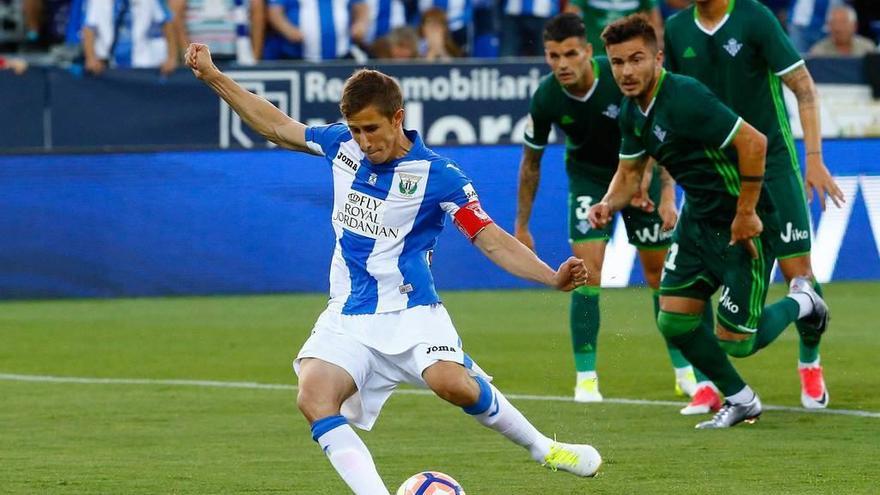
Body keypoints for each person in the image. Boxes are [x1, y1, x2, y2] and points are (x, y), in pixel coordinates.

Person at [185, 43, 603, 493]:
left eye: (372, 129)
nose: (365, 141)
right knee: (313, 397)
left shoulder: (438, 175)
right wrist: (213, 75)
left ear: (398, 118)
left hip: (411, 312)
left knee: (453, 385)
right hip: (348, 313)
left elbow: (490, 238)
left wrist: (550, 276)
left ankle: (543, 447)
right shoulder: (342, 147)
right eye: (356, 130)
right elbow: (276, 125)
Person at [592, 14, 830, 429]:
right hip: (699, 220)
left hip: (746, 221)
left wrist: (745, 213)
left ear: (658, 58)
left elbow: (755, 143)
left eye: (635, 59)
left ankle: (804, 301)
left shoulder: (686, 96)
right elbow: (629, 173)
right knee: (674, 319)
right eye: (617, 62)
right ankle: (742, 400)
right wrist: (607, 204)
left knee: (738, 342)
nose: (627, 71)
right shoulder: (632, 112)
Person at [665, 0, 845, 412]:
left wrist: (814, 160)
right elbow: (671, 107)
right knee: (703, 277)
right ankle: (714, 381)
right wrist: (665, 185)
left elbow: (803, 86)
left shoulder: (754, 17)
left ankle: (810, 364)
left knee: (798, 273)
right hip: (715, 174)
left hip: (774, 165)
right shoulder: (677, 30)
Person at [515, 13, 703, 403]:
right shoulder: (546, 96)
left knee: (659, 275)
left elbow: (661, 132)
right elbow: (531, 163)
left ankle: (684, 372)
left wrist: (666, 193)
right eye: (553, 56)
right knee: (587, 274)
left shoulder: (619, 77)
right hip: (588, 180)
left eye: (570, 54)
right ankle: (586, 380)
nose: (562, 64)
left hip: (640, 174)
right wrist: (522, 225)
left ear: (588, 51)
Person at [81, 0, 178, 76]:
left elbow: (167, 21)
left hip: (142, 65)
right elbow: (88, 27)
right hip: (107, 68)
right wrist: (91, 57)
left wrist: (172, 58)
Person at [265, 0, 369, 61]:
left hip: (342, 54)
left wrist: (360, 25)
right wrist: (287, 29)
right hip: (297, 55)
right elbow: (275, 10)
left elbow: (361, 6)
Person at [168, 0, 266, 64]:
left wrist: (254, 56)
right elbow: (174, 15)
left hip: (237, 57)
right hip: (198, 59)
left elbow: (257, 15)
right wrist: (188, 54)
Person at [564, 0, 663, 52]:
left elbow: (655, 22)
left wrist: (652, 52)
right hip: (594, 53)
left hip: (629, 54)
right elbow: (569, 19)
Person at [810, 4, 878, 57]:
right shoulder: (818, 52)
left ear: (854, 26)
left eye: (843, 23)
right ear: (829, 26)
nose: (838, 28)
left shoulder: (867, 48)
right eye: (834, 23)